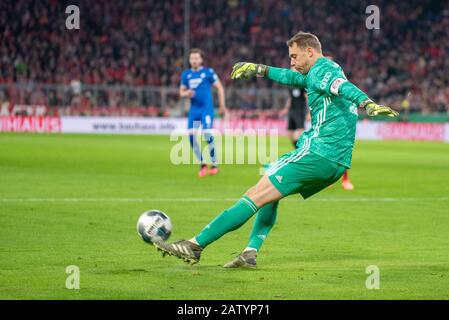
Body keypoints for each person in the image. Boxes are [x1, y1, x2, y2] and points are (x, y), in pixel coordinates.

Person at [154, 31, 398, 267]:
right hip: (335, 161)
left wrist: (367, 103)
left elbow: (342, 87)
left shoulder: (323, 71)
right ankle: (250, 252)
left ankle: (195, 245)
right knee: (269, 184)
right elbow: (291, 78)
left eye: (294, 56)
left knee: (255, 194)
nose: (291, 61)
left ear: (310, 52)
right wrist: (260, 69)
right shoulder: (319, 72)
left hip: (318, 153)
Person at [180, 48, 227, 177]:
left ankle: (214, 163)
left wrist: (222, 105)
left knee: (206, 133)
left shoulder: (208, 72)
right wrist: (186, 93)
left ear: (201, 60)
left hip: (206, 109)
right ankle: (202, 163)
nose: (194, 60)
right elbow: (181, 92)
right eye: (192, 58)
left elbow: (220, 88)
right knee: (191, 136)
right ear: (189, 60)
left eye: (196, 58)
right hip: (194, 111)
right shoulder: (186, 75)